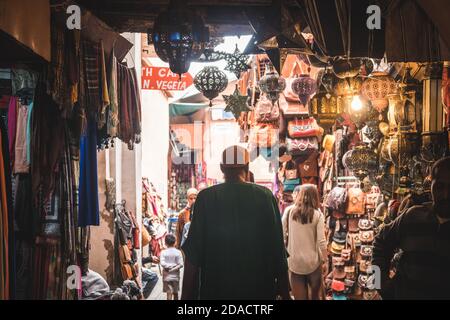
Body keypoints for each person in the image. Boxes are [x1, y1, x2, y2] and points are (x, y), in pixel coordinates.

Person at [181, 145, 290, 300]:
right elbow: (278, 252)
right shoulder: (265, 197)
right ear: (247, 167)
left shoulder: (205, 198)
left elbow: (192, 257)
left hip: (215, 292)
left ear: (221, 168)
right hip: (259, 293)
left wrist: (185, 298)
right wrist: (285, 294)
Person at [372, 156, 450, 300]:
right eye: (440, 186)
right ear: (431, 185)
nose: (446, 195)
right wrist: (378, 282)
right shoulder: (413, 216)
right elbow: (380, 242)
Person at [282, 184, 327, 300]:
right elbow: (321, 241)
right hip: (313, 262)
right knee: (315, 296)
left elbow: (282, 234)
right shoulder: (318, 215)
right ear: (314, 196)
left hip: (294, 261)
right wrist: (325, 260)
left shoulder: (289, 211)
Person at [160, 234, 184, 300]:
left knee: (169, 294)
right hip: (175, 276)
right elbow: (181, 264)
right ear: (175, 242)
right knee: (176, 294)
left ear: (165, 243)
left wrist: (169, 267)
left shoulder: (163, 252)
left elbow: (162, 263)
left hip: (166, 276)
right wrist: (173, 267)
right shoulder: (178, 252)